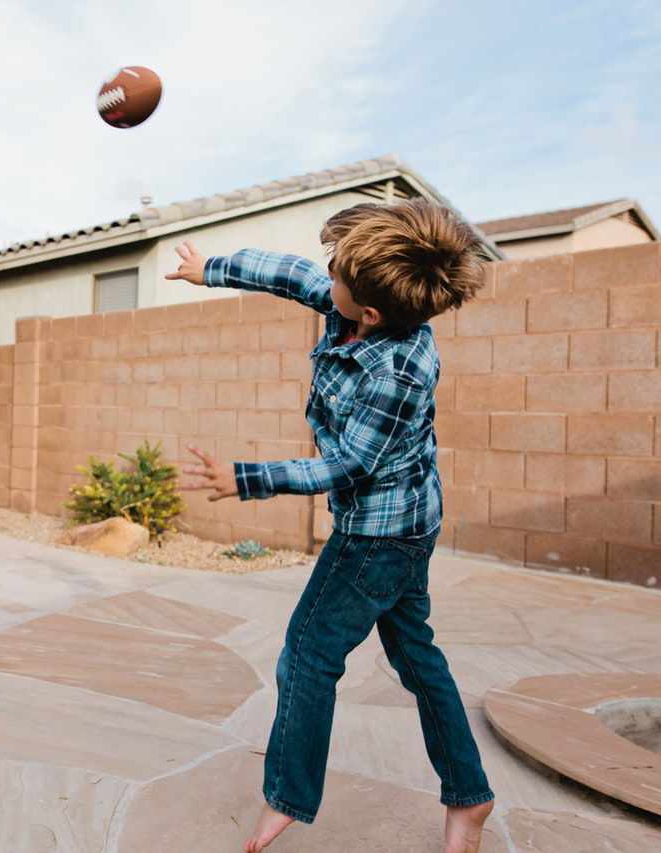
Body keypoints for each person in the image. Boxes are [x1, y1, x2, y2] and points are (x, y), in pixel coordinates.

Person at [166, 200, 496, 853]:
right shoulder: (358, 305)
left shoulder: (399, 368)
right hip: (410, 520)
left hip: (379, 533)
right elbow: (290, 271)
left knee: (309, 655)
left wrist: (248, 478)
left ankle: (287, 797)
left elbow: (349, 465)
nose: (327, 276)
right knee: (416, 655)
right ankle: (470, 794)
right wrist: (213, 269)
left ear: (370, 312)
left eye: (337, 272)